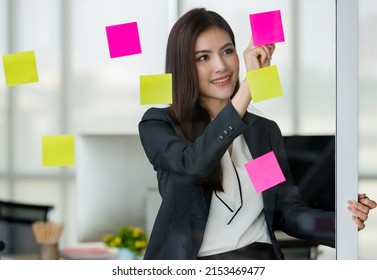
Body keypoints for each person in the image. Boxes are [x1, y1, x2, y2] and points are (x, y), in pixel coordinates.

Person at [138, 8, 376, 260]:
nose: (221, 66)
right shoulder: (160, 125)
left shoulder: (261, 133)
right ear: (183, 66)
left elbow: (284, 211)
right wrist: (252, 84)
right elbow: (194, 163)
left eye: (227, 51)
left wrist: (341, 220)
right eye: (203, 57)